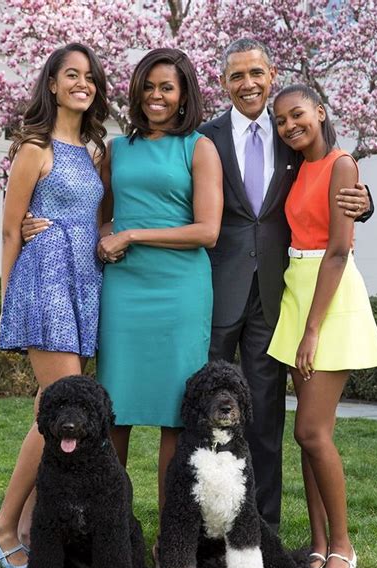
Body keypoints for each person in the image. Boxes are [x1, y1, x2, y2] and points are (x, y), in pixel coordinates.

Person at [198, 38, 373, 532]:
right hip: (216, 289)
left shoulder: (291, 132)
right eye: (236, 76)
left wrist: (365, 201)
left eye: (255, 73)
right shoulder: (206, 138)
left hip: (278, 296)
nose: (247, 83)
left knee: (266, 416)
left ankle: (263, 529)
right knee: (201, 410)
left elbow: (332, 179)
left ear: (271, 75)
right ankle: (204, 523)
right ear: (224, 83)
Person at [0, 43, 108, 568]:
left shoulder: (97, 150)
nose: (82, 83)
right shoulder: (34, 146)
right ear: (52, 84)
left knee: (50, 408)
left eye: (89, 76)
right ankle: (5, 526)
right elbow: (11, 228)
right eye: (70, 75)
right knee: (57, 407)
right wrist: (8, 299)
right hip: (45, 280)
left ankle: (30, 524)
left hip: (85, 281)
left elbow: (95, 217)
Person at [96, 48, 223, 542]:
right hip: (125, 292)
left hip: (180, 291)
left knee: (177, 416)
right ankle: (110, 535)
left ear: (184, 93)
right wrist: (103, 239)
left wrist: (131, 235)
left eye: (166, 87)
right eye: (148, 86)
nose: (156, 96)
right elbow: (100, 216)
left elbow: (207, 230)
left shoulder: (200, 147)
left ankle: (173, 539)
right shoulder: (116, 148)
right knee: (114, 411)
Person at [267, 84, 377, 568]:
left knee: (310, 431)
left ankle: (342, 544)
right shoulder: (296, 167)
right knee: (310, 436)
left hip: (328, 296)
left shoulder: (342, 163)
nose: (290, 126)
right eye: (280, 121)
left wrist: (312, 330)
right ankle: (317, 546)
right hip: (297, 289)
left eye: (298, 115)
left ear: (320, 111)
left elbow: (338, 250)